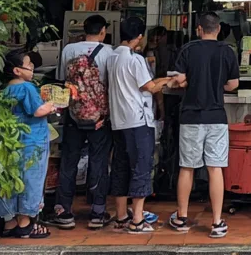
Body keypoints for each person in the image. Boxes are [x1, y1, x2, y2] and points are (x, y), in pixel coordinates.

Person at [169, 12, 240, 238]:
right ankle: (217, 222)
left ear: (199, 29)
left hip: (191, 116)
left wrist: (190, 80)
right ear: (218, 29)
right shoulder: (227, 51)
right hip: (216, 116)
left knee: (187, 167)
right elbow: (232, 85)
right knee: (215, 167)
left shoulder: (188, 49)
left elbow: (177, 80)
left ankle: (181, 217)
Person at [46, 13, 114, 229]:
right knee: (99, 161)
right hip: (99, 119)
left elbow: (62, 81)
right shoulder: (109, 53)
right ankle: (97, 212)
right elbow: (111, 86)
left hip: (73, 115)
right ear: (103, 31)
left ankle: (64, 211)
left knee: (68, 162)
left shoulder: (68, 50)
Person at [108, 17, 175, 232]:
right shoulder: (135, 59)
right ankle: (137, 219)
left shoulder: (112, 57)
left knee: (120, 168)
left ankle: (120, 217)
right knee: (141, 167)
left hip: (118, 121)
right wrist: (167, 80)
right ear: (139, 37)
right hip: (137, 120)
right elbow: (149, 87)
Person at [0, 49, 60, 239]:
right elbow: (37, 111)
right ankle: (25, 223)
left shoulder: (6, 89)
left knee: (12, 178)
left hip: (12, 140)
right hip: (32, 140)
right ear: (17, 70)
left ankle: (9, 222)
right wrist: (52, 104)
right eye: (29, 65)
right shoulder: (27, 88)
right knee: (31, 180)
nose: (32, 68)